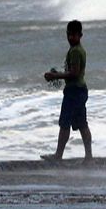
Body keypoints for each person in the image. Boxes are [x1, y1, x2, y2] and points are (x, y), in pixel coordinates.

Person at [42, 20, 93, 163]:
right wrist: (58, 74)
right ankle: (89, 157)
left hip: (74, 92)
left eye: (74, 35)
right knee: (82, 124)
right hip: (79, 91)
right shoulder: (76, 50)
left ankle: (58, 156)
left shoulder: (76, 51)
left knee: (65, 123)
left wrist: (55, 76)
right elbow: (72, 72)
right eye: (69, 35)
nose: (71, 37)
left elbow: (74, 73)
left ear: (80, 35)